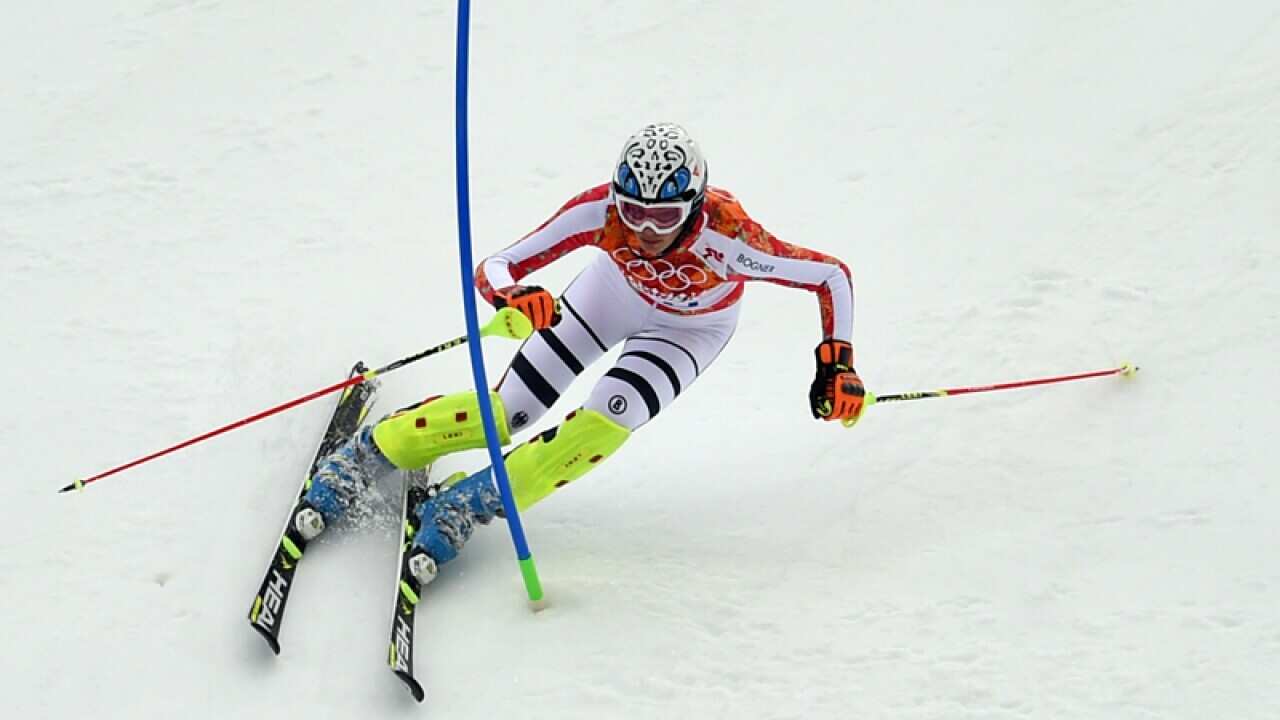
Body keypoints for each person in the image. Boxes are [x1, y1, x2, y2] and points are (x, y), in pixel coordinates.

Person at [295, 123, 865, 585]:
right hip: (610, 296)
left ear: (692, 207)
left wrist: (836, 364)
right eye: (633, 211)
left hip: (690, 329)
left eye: (664, 217)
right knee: (509, 412)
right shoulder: (600, 213)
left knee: (608, 420)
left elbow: (830, 276)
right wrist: (514, 295)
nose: (644, 230)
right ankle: (372, 451)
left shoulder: (733, 239)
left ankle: (473, 501)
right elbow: (498, 265)